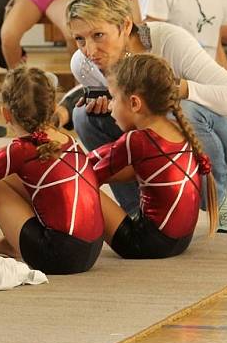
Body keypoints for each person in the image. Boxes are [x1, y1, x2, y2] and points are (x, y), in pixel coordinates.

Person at [65, 0, 227, 235]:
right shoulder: (83, 64)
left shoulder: (169, 41)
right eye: (80, 39)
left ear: (125, 25)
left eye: (98, 35)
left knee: (186, 108)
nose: (89, 50)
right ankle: (138, 209)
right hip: (173, 146)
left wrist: (181, 88)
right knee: (84, 117)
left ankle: (222, 196)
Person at [0, 66, 104, 275]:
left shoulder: (20, 149)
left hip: (58, 255)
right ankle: (11, 244)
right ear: (54, 107)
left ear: (5, 113)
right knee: (6, 177)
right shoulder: (68, 140)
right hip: (90, 249)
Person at [89, 54, 217, 259]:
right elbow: (108, 154)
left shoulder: (137, 140)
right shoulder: (177, 129)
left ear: (134, 103)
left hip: (145, 243)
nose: (110, 106)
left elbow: (88, 177)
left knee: (79, 186)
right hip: (180, 241)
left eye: (113, 98)